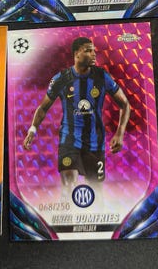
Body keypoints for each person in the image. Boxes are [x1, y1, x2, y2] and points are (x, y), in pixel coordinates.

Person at [23, 37, 131, 195]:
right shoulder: (61, 79)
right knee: (69, 185)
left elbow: (125, 104)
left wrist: (120, 134)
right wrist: (32, 130)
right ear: (76, 54)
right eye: (88, 50)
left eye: (94, 50)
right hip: (69, 141)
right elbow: (43, 108)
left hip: (95, 142)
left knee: (95, 192)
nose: (93, 54)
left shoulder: (102, 76)